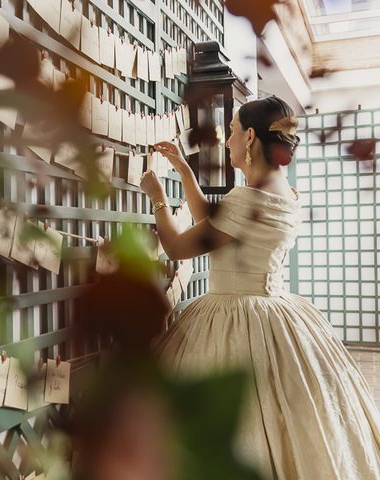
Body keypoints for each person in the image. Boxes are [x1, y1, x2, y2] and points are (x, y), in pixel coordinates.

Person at [139, 96, 380, 479]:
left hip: (232, 316)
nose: (229, 139)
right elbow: (217, 225)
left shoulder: (245, 198)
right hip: (280, 310)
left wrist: (157, 199)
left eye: (233, 131)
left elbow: (177, 247)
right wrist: (183, 170)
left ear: (250, 136)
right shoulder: (287, 195)